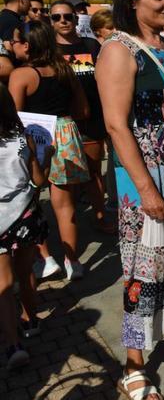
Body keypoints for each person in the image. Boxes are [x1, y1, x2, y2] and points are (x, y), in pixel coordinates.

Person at [95, 0, 164, 400]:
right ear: (133, 1)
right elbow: (117, 126)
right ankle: (133, 364)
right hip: (143, 173)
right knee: (142, 267)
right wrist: (148, 189)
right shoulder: (118, 49)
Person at [8, 21, 90, 284]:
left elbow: (12, 118)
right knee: (66, 206)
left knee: (30, 202)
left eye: (16, 41)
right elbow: (83, 111)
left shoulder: (21, 75)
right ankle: (72, 262)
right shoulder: (65, 69)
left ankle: (46, 259)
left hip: (35, 139)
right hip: (66, 133)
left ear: (28, 45)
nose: (12, 45)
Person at [50, 0, 113, 235]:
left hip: (92, 119)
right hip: (63, 123)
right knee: (65, 180)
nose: (63, 20)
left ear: (76, 19)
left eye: (67, 16)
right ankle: (69, 227)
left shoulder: (91, 45)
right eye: (56, 17)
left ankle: (99, 216)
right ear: (50, 22)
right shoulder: (49, 51)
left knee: (93, 172)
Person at [0, 82, 51, 370]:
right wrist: (50, 158)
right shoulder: (23, 138)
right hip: (26, 215)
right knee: (26, 272)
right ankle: (31, 321)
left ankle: (13, 344)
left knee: (3, 284)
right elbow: (38, 181)